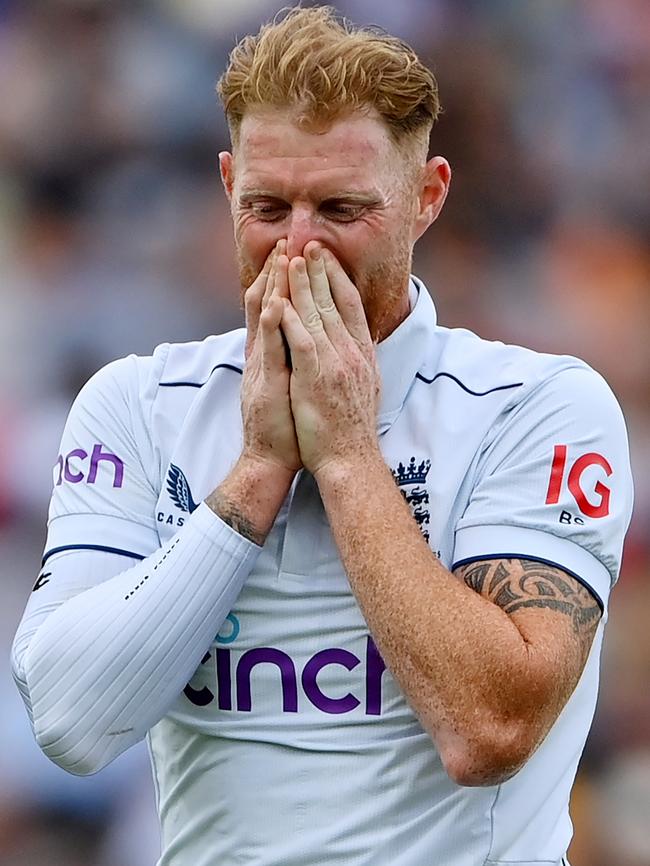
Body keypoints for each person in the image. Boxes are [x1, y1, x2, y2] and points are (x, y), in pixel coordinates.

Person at [11, 7, 633, 866]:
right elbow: (71, 724)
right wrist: (259, 472)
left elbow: (489, 730)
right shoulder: (139, 405)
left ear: (427, 197)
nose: (299, 247)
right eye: (268, 205)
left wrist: (343, 453)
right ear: (227, 185)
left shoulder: (535, 407)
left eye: (341, 208)